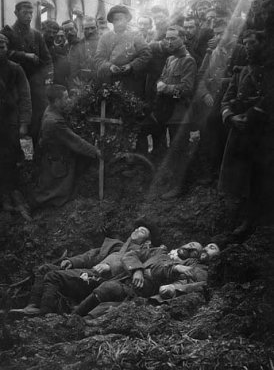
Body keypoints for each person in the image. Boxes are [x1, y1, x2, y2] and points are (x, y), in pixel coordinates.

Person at [16, 219, 160, 315]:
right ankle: (32, 306)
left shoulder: (145, 252)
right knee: (45, 269)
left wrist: (109, 267)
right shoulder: (116, 246)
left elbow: (140, 265)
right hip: (89, 274)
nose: (136, 230)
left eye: (142, 231)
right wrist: (72, 261)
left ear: (147, 241)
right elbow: (91, 255)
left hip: (100, 281)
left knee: (54, 277)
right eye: (136, 228)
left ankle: (44, 315)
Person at [219, 29, 274, 239]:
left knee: (264, 176)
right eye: (245, 43)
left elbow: (268, 99)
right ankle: (246, 220)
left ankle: (262, 221)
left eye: (251, 43)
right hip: (242, 133)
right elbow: (227, 98)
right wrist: (230, 117)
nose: (247, 48)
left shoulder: (269, 72)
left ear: (262, 43)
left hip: (264, 133)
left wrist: (250, 114)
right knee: (243, 178)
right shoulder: (240, 72)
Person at [73, 241, 220, 317]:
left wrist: (174, 274)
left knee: (107, 294)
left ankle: (75, 318)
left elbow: (169, 276)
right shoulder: (158, 251)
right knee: (98, 288)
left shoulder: (183, 268)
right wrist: (137, 270)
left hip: (138, 294)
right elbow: (130, 255)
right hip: (123, 278)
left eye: (194, 251)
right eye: (190, 245)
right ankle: (73, 316)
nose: (189, 249)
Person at [195, 18, 247, 183]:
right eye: (215, 33)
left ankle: (228, 176)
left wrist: (220, 81)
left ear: (231, 32)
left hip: (233, 100)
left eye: (220, 32)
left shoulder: (241, 51)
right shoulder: (212, 52)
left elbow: (243, 77)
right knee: (210, 132)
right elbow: (201, 76)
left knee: (229, 136)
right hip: (212, 99)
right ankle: (211, 172)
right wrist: (204, 94)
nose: (217, 36)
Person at [32, 84, 100, 208]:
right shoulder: (54, 122)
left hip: (53, 154)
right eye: (66, 98)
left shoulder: (51, 109)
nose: (69, 100)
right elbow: (75, 142)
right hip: (57, 160)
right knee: (59, 193)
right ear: (57, 101)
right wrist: (96, 151)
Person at [149, 25, 197, 199]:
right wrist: (160, 84)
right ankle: (171, 182)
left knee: (179, 150)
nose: (169, 41)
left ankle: (180, 187)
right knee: (170, 149)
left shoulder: (188, 60)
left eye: (173, 38)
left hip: (180, 114)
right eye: (167, 38)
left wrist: (165, 88)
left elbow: (187, 89)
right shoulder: (170, 59)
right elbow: (161, 78)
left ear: (182, 39)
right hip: (167, 111)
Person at [1, 1, 52, 145]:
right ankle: (15, 158)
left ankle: (35, 158)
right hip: (13, 84)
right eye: (25, 13)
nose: (29, 16)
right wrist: (24, 55)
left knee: (37, 121)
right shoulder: (6, 33)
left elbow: (47, 60)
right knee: (13, 122)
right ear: (16, 13)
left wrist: (48, 80)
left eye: (31, 13)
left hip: (35, 85)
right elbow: (4, 54)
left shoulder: (36, 35)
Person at [0, 33, 32, 213]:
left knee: (12, 156)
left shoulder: (15, 69)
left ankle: (13, 192)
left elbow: (25, 96)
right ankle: (4, 196)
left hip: (10, 119)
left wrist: (24, 123)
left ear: (7, 48)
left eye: (2, 46)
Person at [95, 5, 151, 98]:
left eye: (122, 19)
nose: (120, 23)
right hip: (110, 82)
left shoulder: (136, 35)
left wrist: (131, 66)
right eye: (116, 20)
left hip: (132, 83)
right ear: (112, 21)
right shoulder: (105, 38)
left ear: (127, 20)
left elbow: (146, 54)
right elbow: (99, 59)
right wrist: (110, 67)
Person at [77, 16, 100, 83]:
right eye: (86, 29)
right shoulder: (78, 44)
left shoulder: (105, 43)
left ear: (97, 28)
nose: (90, 31)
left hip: (101, 80)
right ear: (82, 29)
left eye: (93, 28)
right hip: (83, 82)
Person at [61, 20, 81, 90]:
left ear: (76, 29)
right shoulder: (63, 48)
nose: (69, 32)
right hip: (66, 86)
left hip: (80, 84)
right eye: (66, 31)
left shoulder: (83, 46)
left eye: (71, 29)